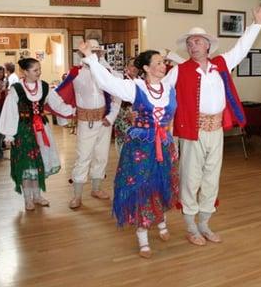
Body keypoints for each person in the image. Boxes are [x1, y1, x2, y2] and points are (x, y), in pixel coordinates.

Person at [163, 3, 261, 246]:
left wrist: (257, 24)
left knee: (212, 177)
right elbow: (159, 91)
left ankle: (204, 224)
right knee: (190, 178)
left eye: (197, 42)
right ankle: (190, 227)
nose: (192, 46)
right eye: (189, 43)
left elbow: (242, 48)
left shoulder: (221, 64)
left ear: (208, 45)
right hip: (192, 132)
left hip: (216, 130)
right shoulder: (179, 71)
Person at [79, 45, 179, 259]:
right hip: (140, 148)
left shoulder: (170, 86)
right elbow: (107, 82)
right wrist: (91, 58)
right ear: (146, 67)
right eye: (159, 63)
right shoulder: (135, 88)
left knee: (160, 185)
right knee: (141, 188)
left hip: (163, 144)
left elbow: (187, 66)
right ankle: (142, 238)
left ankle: (160, 220)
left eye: (164, 62)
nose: (164, 66)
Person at [47, 39, 121, 209]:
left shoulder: (107, 72)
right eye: (91, 52)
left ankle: (96, 189)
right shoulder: (75, 73)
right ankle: (77, 195)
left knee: (101, 156)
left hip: (104, 122)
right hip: (85, 122)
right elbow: (55, 96)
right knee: (83, 157)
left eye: (97, 52)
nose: (94, 55)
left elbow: (118, 94)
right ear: (82, 54)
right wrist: (72, 112)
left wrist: (111, 116)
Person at [0, 58, 73, 211]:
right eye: (35, 70)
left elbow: (56, 103)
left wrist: (71, 111)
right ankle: (27, 199)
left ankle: (37, 196)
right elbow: (10, 112)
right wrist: (9, 135)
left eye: (39, 69)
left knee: (38, 163)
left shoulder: (44, 87)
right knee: (27, 165)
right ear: (25, 72)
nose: (39, 73)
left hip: (41, 130)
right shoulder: (16, 89)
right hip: (24, 131)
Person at [113, 57, 140, 155]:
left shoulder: (142, 82)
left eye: (137, 65)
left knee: (138, 153)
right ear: (126, 67)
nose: (135, 68)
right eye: (132, 65)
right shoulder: (120, 81)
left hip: (139, 121)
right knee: (124, 152)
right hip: (123, 120)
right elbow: (114, 103)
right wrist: (125, 115)